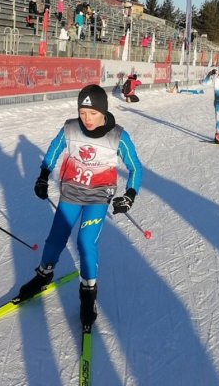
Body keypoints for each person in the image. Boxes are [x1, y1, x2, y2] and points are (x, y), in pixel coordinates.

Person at [18, 84, 142, 332]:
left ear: (103, 112)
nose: (87, 119)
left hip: (98, 196)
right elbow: (54, 150)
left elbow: (135, 168)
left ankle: (88, 294)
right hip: (72, 192)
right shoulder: (70, 128)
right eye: (83, 113)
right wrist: (43, 175)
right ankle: (44, 274)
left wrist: (129, 194)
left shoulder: (118, 136)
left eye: (93, 113)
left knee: (85, 242)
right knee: (56, 237)